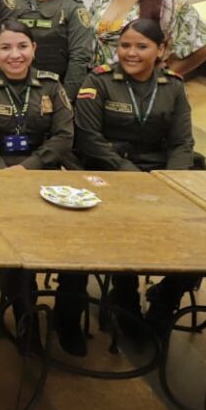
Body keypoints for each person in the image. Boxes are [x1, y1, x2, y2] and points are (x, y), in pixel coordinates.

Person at [73, 18, 198, 346]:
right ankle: (125, 295)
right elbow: (88, 139)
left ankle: (165, 298)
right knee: (122, 228)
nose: (130, 53)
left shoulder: (173, 85)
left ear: (162, 50)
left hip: (161, 176)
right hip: (110, 174)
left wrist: (172, 180)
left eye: (141, 46)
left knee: (199, 232)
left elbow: (182, 143)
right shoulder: (98, 80)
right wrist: (132, 175)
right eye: (125, 45)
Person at [0, 20, 78, 355]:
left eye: (22, 47)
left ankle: (68, 314)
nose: (15, 55)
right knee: (18, 243)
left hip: (41, 173)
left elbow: (63, 137)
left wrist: (26, 169)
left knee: (74, 238)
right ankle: (26, 317)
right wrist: (4, 176)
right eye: (6, 48)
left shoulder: (50, 86)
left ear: (34, 49)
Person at [14, 0, 93, 99]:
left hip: (53, 91)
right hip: (11, 88)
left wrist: (65, 99)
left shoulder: (73, 9)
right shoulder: (14, 2)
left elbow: (80, 58)